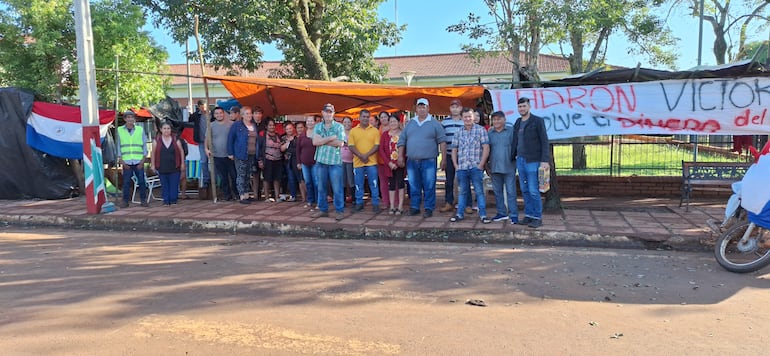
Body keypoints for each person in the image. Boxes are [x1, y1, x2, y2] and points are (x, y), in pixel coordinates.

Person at [397, 98, 447, 218]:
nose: (421, 109)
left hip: (429, 160)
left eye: (424, 107)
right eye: (419, 107)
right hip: (412, 160)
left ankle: (429, 208)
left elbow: (443, 142)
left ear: (428, 108)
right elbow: (402, 141)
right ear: (416, 109)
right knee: (414, 185)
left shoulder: (435, 123)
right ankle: (415, 207)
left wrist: (444, 159)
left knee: (429, 185)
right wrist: (400, 156)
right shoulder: (410, 124)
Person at [511, 97, 550, 228]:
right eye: (520, 107)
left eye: (524, 106)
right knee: (524, 189)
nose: (522, 109)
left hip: (533, 160)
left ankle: (537, 217)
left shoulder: (537, 121)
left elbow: (544, 141)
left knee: (533, 190)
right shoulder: (517, 122)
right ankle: (529, 215)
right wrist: (512, 157)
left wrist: (545, 160)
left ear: (529, 106)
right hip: (520, 160)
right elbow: (514, 142)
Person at [449, 108, 491, 224]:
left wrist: (481, 164)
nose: (468, 119)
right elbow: (454, 150)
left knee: (479, 191)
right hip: (462, 167)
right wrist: (456, 165)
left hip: (475, 166)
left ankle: (483, 215)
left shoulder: (481, 130)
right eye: (465, 117)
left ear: (473, 117)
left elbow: (486, 148)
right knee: (462, 191)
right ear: (462, 118)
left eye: (470, 116)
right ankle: (459, 214)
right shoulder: (458, 132)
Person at [312, 103, 346, 221]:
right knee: (321, 187)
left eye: (330, 111)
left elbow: (340, 143)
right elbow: (315, 142)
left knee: (337, 188)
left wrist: (322, 140)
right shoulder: (317, 126)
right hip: (321, 161)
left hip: (335, 162)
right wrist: (331, 138)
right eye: (326, 111)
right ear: (322, 113)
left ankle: (339, 210)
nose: (328, 114)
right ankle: (323, 210)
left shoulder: (339, 127)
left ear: (333, 113)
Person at [487, 111, 518, 224]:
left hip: (509, 166)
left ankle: (513, 214)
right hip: (494, 167)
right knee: (497, 192)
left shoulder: (511, 131)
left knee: (511, 191)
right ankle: (501, 213)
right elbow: (487, 150)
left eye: (499, 119)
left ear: (504, 120)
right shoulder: (490, 133)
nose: (496, 121)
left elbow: (517, 146)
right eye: (494, 119)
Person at [348, 109, 381, 213]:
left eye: (368, 117)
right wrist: (360, 155)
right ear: (359, 117)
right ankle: (359, 203)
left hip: (371, 162)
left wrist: (366, 155)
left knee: (374, 183)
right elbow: (351, 146)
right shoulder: (353, 131)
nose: (366, 119)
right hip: (358, 163)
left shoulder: (375, 131)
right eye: (364, 116)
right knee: (359, 184)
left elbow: (377, 145)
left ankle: (375, 204)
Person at [227, 106, 260, 204]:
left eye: (250, 113)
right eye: (247, 114)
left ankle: (246, 194)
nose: (249, 115)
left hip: (252, 153)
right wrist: (230, 153)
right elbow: (230, 139)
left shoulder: (253, 125)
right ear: (242, 115)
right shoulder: (237, 125)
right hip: (240, 153)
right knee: (241, 174)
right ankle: (241, 195)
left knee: (247, 175)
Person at [439, 99, 467, 214]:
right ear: (450, 109)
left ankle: (466, 204)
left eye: (457, 107)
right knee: (449, 180)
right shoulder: (444, 122)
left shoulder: (465, 121)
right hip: (450, 155)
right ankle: (449, 202)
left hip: (463, 156)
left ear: (461, 108)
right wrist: (444, 158)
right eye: (453, 107)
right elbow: (443, 141)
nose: (455, 109)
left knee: (464, 180)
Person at [117, 110, 149, 208]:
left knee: (142, 182)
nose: (130, 119)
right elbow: (118, 146)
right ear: (125, 119)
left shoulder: (140, 130)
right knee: (126, 182)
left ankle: (143, 200)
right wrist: (121, 161)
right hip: (126, 162)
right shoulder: (119, 130)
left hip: (138, 161)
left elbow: (144, 145)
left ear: (135, 119)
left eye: (132, 117)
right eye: (128, 117)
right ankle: (125, 201)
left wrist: (143, 160)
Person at [206, 107, 237, 201]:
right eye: (217, 113)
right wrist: (206, 149)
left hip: (230, 155)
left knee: (234, 175)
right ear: (214, 115)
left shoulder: (231, 124)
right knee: (223, 177)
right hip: (217, 155)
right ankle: (227, 195)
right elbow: (207, 139)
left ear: (224, 114)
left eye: (220, 113)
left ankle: (237, 194)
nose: (219, 115)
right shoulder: (210, 125)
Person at [152, 121, 186, 206]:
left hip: (175, 166)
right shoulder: (156, 141)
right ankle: (166, 201)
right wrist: (152, 165)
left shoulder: (176, 139)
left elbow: (181, 151)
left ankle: (173, 200)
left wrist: (182, 164)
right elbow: (153, 153)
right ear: (161, 130)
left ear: (171, 130)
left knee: (174, 184)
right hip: (162, 166)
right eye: (164, 128)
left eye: (168, 128)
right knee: (164, 184)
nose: (166, 130)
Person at [379, 115, 405, 214]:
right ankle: (392, 206)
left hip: (400, 163)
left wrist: (401, 161)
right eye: (391, 122)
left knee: (401, 184)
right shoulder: (385, 134)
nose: (393, 123)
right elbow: (381, 150)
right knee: (391, 184)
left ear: (399, 122)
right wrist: (388, 163)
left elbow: (406, 148)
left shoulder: (403, 134)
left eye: (395, 121)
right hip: (389, 165)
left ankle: (400, 206)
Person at [259, 118, 284, 202]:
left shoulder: (278, 136)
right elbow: (259, 148)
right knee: (267, 179)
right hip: (267, 159)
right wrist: (260, 160)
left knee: (277, 179)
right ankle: (266, 197)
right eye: (270, 125)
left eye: (273, 125)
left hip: (278, 159)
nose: (272, 127)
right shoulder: (263, 136)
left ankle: (277, 197)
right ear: (266, 126)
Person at [188, 100, 211, 190]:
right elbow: (189, 120)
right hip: (201, 141)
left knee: (216, 161)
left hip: (212, 142)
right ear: (198, 106)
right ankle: (206, 180)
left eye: (205, 106)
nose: (203, 108)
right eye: (201, 106)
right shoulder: (196, 115)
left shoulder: (212, 115)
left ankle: (217, 180)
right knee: (203, 161)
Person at [297, 117, 318, 209]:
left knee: (316, 182)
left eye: (311, 121)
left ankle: (318, 201)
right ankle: (310, 201)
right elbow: (298, 149)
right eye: (308, 121)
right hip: (304, 163)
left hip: (315, 162)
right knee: (308, 182)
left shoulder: (318, 134)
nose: (310, 123)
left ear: (315, 122)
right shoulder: (302, 135)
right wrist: (298, 162)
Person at [376, 111, 392, 210]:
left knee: (394, 182)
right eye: (381, 117)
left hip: (392, 160)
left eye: (385, 117)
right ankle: (385, 201)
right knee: (383, 182)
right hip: (381, 159)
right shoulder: (377, 130)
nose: (383, 119)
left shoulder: (393, 128)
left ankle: (395, 201)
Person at [340, 117, 355, 204]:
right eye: (345, 122)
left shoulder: (354, 132)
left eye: (348, 122)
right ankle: (343, 199)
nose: (347, 124)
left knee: (351, 180)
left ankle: (353, 199)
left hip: (352, 160)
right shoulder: (340, 133)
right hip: (341, 159)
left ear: (351, 123)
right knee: (342, 180)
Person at [294, 121, 308, 204]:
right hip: (297, 161)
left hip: (306, 160)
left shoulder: (307, 136)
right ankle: (303, 198)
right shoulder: (294, 138)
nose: (300, 129)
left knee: (307, 180)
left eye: (301, 127)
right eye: (298, 127)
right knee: (300, 180)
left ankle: (310, 197)